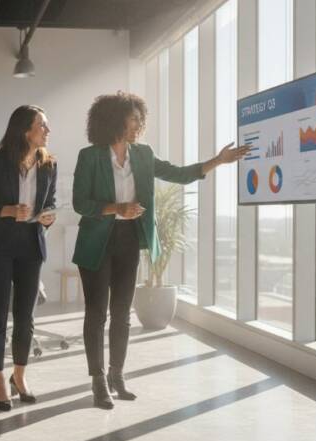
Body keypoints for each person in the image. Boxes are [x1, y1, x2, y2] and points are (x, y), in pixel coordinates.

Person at [72, 91, 250, 409]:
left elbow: (179, 174)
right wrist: (117, 208)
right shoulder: (90, 156)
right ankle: (98, 381)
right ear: (115, 120)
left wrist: (218, 161)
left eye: (141, 118)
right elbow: (80, 203)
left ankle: (117, 375)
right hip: (96, 241)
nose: (140, 124)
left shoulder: (143, 154)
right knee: (96, 313)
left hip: (129, 238)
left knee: (122, 313)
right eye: (134, 117)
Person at [0, 105, 57, 411]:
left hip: (31, 245)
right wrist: (8, 210)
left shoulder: (49, 164)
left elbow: (52, 202)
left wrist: (49, 216)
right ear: (25, 130)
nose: (48, 131)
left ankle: (18, 377)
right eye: (42, 125)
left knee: (26, 316)